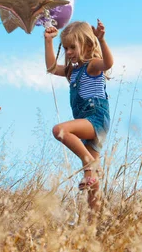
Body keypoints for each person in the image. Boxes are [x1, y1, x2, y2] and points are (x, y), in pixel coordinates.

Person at [44, 19, 113, 211]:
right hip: (87, 124)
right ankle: (92, 226)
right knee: (92, 180)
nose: (68, 52)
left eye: (72, 47)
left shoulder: (92, 66)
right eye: (65, 48)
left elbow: (108, 63)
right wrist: (49, 41)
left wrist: (102, 40)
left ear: (88, 45)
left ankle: (88, 160)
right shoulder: (72, 72)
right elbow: (51, 67)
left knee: (60, 130)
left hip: (95, 119)